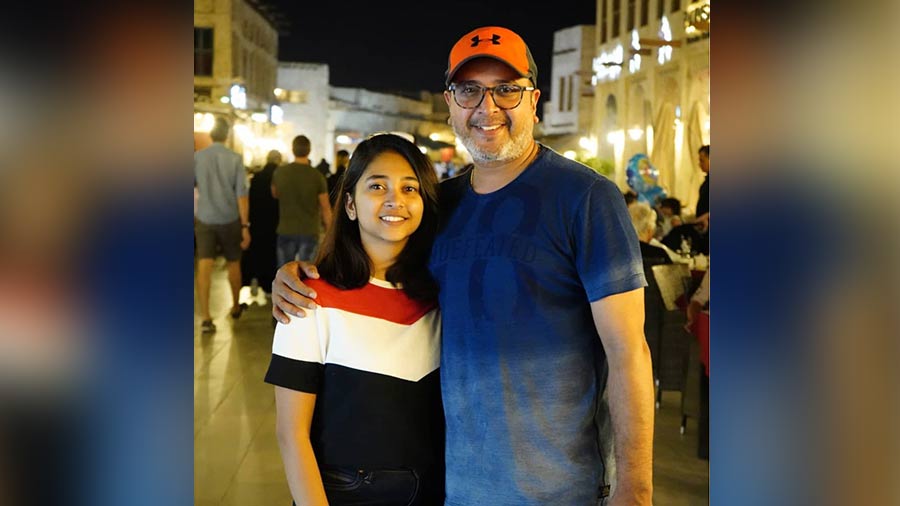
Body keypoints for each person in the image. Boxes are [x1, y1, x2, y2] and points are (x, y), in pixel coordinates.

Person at [271, 26, 654, 505]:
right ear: (451, 104)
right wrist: (297, 275)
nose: (487, 107)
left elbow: (628, 352)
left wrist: (635, 490)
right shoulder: (440, 206)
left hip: (559, 490)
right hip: (454, 487)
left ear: (534, 100)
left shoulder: (586, 198)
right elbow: (377, 262)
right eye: (469, 91)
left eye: (506, 90)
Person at [264, 134, 444, 505]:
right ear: (349, 204)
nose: (395, 199)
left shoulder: (441, 298)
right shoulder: (309, 299)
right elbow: (291, 434)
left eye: (410, 188)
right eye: (377, 186)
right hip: (346, 493)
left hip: (431, 490)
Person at [194, 117, 250, 333]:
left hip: (205, 219)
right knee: (233, 263)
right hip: (230, 219)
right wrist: (245, 226)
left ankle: (206, 317)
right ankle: (235, 306)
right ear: (227, 135)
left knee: (204, 265)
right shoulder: (235, 158)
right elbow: (242, 196)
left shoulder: (197, 158)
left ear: (211, 135)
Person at [271, 135, 332, 267]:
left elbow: (275, 194)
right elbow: (325, 207)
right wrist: (330, 232)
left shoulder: (280, 172)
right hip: (310, 230)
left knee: (285, 273)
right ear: (309, 151)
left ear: (292, 150)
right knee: (307, 275)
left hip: (286, 229)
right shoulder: (317, 176)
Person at [241, 149, 281, 295]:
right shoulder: (279, 176)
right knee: (270, 252)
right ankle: (267, 283)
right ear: (278, 160)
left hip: (257, 221)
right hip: (274, 221)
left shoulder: (256, 177)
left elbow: (250, 198)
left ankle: (254, 278)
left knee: (257, 250)